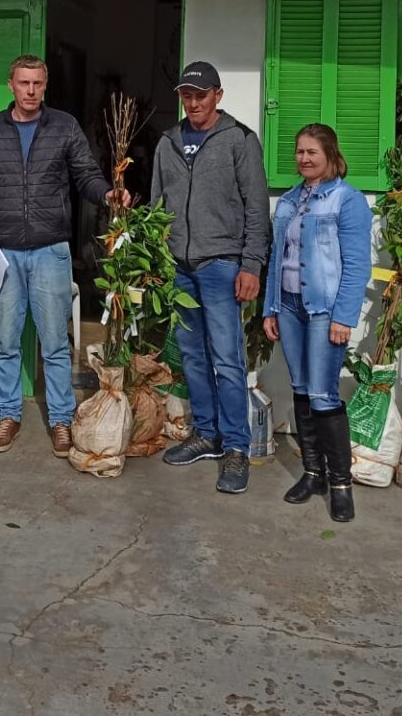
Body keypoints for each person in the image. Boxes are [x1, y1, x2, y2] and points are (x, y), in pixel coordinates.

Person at [0, 54, 127, 456]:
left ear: (45, 84)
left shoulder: (64, 127)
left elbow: (84, 175)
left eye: (37, 83)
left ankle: (60, 421)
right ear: (11, 85)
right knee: (6, 340)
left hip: (51, 249)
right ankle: (7, 416)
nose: (31, 91)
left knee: (54, 342)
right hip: (4, 252)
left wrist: (106, 193)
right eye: (23, 83)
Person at [152, 61, 270, 494]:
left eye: (201, 95)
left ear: (218, 96)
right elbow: (157, 206)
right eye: (187, 95)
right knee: (192, 356)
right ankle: (206, 434)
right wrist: (157, 261)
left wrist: (251, 265)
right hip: (180, 267)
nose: (194, 102)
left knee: (227, 358)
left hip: (222, 265)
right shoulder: (168, 142)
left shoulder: (239, 140)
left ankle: (237, 447)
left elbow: (258, 209)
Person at [263, 123, 373, 522]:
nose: (304, 158)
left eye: (312, 152)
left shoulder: (347, 201)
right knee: (301, 389)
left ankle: (341, 485)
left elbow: (358, 264)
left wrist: (344, 316)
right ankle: (314, 473)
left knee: (323, 393)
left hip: (324, 309)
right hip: (289, 306)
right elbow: (278, 259)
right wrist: (270, 307)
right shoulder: (290, 200)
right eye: (299, 152)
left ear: (329, 154)